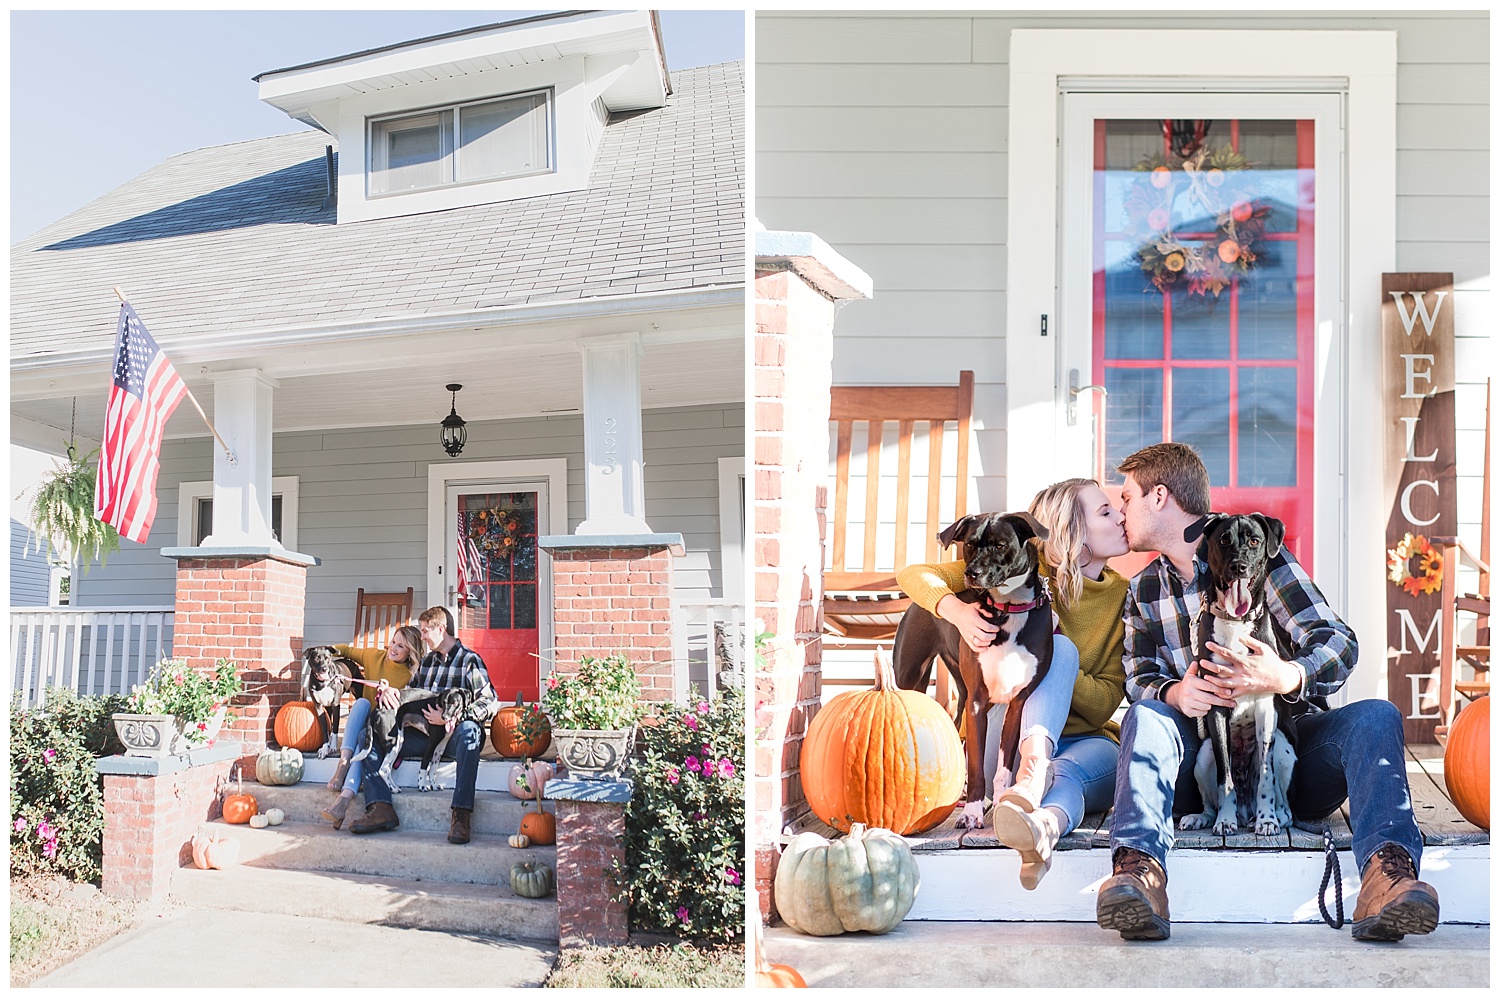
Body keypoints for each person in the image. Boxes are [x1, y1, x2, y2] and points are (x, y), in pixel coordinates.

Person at [1096, 442, 1439, 942]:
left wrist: (1285, 676)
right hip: (1202, 769)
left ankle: (1386, 878)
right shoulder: (1144, 588)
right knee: (1144, 718)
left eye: (1125, 498)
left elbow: (1338, 642)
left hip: (1288, 757)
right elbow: (1137, 677)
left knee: (1377, 715)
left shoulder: (1260, 555)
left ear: (1159, 497)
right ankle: (1140, 875)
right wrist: (1174, 693)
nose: (1120, 512)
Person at [896, 478, 1131, 889]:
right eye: (1106, 512)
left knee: (1064, 662)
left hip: (1086, 742)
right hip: (1006, 731)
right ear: (1073, 533)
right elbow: (916, 575)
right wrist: (957, 612)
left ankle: (1042, 825)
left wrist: (1046, 654)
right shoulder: (1016, 569)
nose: (1122, 516)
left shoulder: (1123, 597)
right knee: (1061, 657)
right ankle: (1030, 790)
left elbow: (1105, 701)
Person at [348, 606, 499, 845]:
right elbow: (408, 694)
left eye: (426, 631)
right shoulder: (427, 663)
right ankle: (380, 806)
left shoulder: (469, 660)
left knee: (471, 733)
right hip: (422, 736)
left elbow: (490, 701)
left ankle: (461, 814)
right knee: (368, 734)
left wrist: (453, 717)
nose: (422, 637)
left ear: (441, 629)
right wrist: (390, 693)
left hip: (452, 736)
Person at [317, 623, 424, 830]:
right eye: (393, 642)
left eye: (400, 646)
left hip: (383, 727)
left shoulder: (413, 675)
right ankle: (343, 763)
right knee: (361, 703)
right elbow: (346, 650)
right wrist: (325, 654)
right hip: (363, 719)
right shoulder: (374, 656)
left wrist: (392, 693)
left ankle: (344, 800)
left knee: (364, 741)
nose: (393, 648)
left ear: (411, 651)